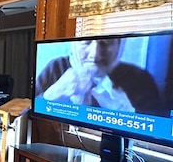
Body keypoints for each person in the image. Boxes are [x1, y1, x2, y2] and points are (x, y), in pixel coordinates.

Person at [35, 38, 166, 116]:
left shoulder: (139, 79)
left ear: (120, 46)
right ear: (73, 46)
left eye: (105, 43)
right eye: (86, 43)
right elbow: (25, 118)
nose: (95, 54)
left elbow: (160, 131)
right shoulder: (56, 67)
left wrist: (128, 112)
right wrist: (51, 95)